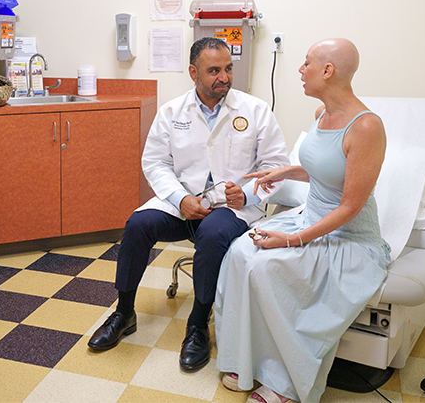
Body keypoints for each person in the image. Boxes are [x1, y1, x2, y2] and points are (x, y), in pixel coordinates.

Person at [88, 37, 289, 372]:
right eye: (214, 70)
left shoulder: (255, 111)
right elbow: (154, 163)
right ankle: (124, 313)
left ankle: (197, 324)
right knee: (138, 225)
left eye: (228, 69)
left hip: (232, 207)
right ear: (193, 72)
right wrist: (180, 198)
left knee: (212, 234)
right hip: (181, 203)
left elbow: (276, 167)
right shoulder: (172, 112)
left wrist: (249, 194)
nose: (224, 77)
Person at [214, 38, 391, 403]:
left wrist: (292, 241)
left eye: (306, 62)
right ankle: (244, 359)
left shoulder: (367, 128)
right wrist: (283, 172)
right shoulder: (321, 116)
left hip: (348, 236)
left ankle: (286, 383)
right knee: (239, 253)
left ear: (328, 71)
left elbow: (349, 206)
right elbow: (324, 171)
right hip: (308, 217)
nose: (300, 69)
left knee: (268, 269)